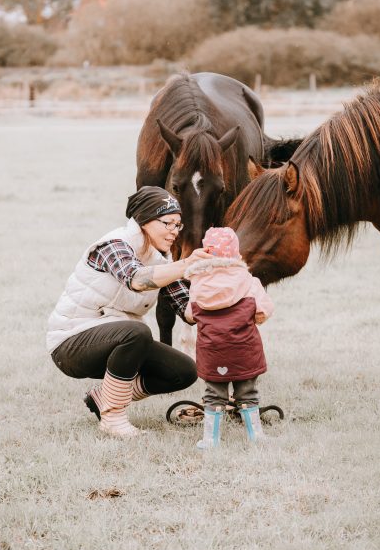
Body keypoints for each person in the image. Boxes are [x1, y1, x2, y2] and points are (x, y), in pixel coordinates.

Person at [47, 186, 209, 438]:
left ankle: (103, 397)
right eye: (168, 223)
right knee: (136, 331)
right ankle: (112, 417)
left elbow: (189, 312)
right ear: (144, 220)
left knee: (184, 371)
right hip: (71, 343)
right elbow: (136, 279)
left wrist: (224, 286)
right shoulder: (113, 244)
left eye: (178, 225)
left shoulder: (161, 262)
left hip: (121, 340)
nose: (174, 232)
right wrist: (186, 264)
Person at [183, 226, 274, 448]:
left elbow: (189, 315)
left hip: (213, 352)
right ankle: (256, 436)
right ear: (236, 253)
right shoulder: (249, 281)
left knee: (214, 394)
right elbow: (263, 312)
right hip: (245, 350)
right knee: (248, 392)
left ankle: (210, 439)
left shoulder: (198, 283)